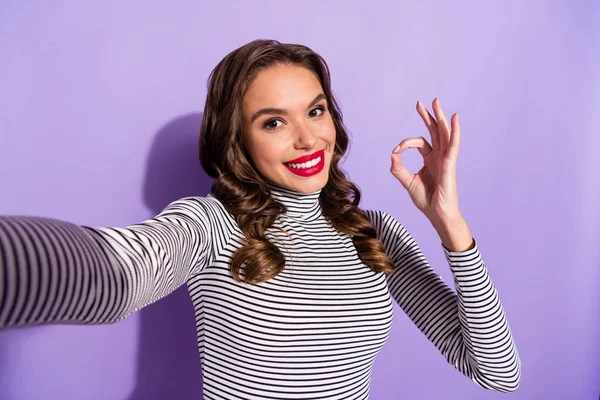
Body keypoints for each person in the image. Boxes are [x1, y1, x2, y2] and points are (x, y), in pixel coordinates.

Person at [0, 39, 521, 399]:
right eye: (274, 122)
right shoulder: (212, 225)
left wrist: (451, 227)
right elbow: (109, 274)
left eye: (316, 111)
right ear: (239, 140)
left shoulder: (375, 233)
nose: (308, 139)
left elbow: (498, 373)